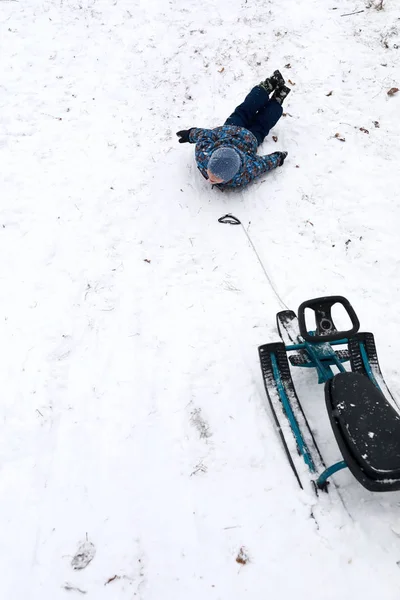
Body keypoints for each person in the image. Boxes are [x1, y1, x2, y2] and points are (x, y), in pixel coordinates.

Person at [176, 70, 290, 190]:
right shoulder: (204, 156)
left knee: (261, 124)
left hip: (244, 135)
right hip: (233, 132)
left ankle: (275, 96)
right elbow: (205, 135)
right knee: (246, 111)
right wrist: (190, 134)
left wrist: (277, 159)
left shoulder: (242, 174)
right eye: (211, 175)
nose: (209, 180)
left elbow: (262, 165)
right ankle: (272, 91)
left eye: (214, 179)